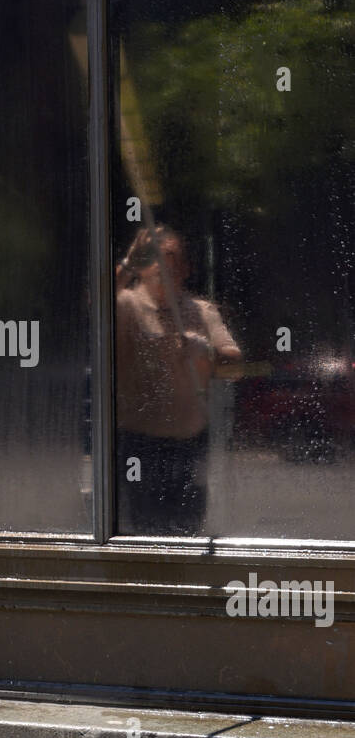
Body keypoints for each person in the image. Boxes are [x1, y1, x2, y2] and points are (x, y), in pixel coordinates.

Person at [115, 225, 241, 535]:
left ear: (185, 268)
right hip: (140, 444)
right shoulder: (126, 305)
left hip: (189, 445)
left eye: (171, 257)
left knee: (187, 534)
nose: (163, 264)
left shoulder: (200, 311)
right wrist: (128, 262)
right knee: (140, 535)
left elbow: (235, 364)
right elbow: (95, 309)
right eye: (153, 256)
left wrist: (205, 350)